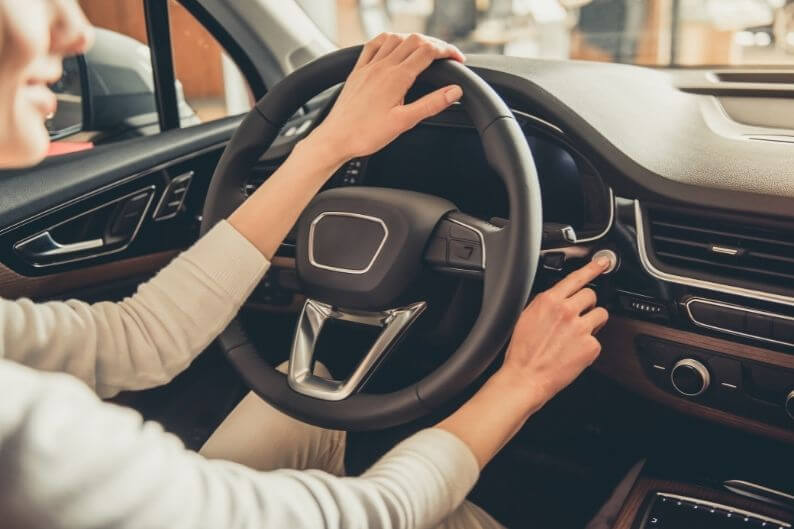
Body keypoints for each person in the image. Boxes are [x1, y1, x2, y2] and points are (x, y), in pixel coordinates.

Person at [0, 2, 610, 528]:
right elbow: (362, 514)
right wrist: (522, 381)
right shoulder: (25, 436)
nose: (78, 31)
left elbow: (138, 341)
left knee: (285, 404)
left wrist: (328, 145)